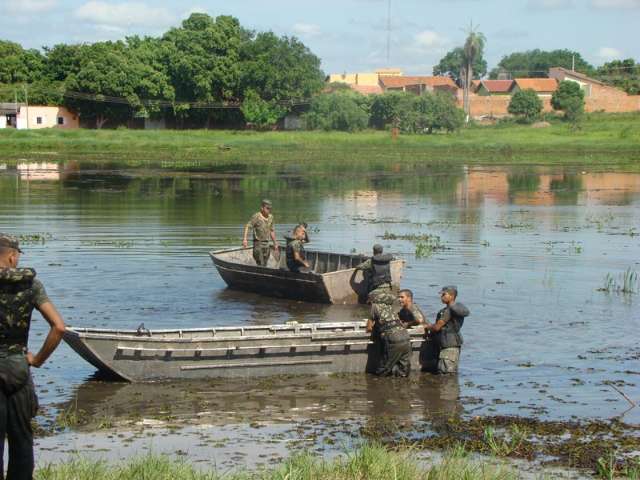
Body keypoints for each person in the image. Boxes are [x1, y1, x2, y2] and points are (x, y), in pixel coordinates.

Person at [0, 234, 66, 480]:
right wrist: (37, 360)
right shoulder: (31, 285)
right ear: (12, 255)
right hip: (18, 367)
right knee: (22, 442)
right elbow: (59, 327)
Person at [422, 285, 470, 375]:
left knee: (446, 372)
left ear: (451, 296)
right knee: (448, 372)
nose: (441, 297)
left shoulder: (448, 311)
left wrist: (427, 327)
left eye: (444, 294)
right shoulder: (453, 309)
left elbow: (437, 327)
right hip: (453, 343)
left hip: (449, 346)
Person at [366, 290, 411, 377]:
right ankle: (403, 387)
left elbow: (369, 328)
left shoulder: (375, 306)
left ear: (373, 299)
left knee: (383, 369)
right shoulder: (391, 307)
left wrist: (374, 329)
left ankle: (381, 387)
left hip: (393, 339)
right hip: (405, 336)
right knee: (403, 370)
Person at [242, 199, 279, 267]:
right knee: (260, 263)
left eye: (270, 208)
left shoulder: (271, 217)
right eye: (267, 208)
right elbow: (248, 226)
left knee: (265, 264)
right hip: (258, 243)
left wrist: (275, 243)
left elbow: (271, 230)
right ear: (262, 208)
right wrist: (245, 239)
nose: (269, 210)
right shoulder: (256, 216)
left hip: (267, 244)